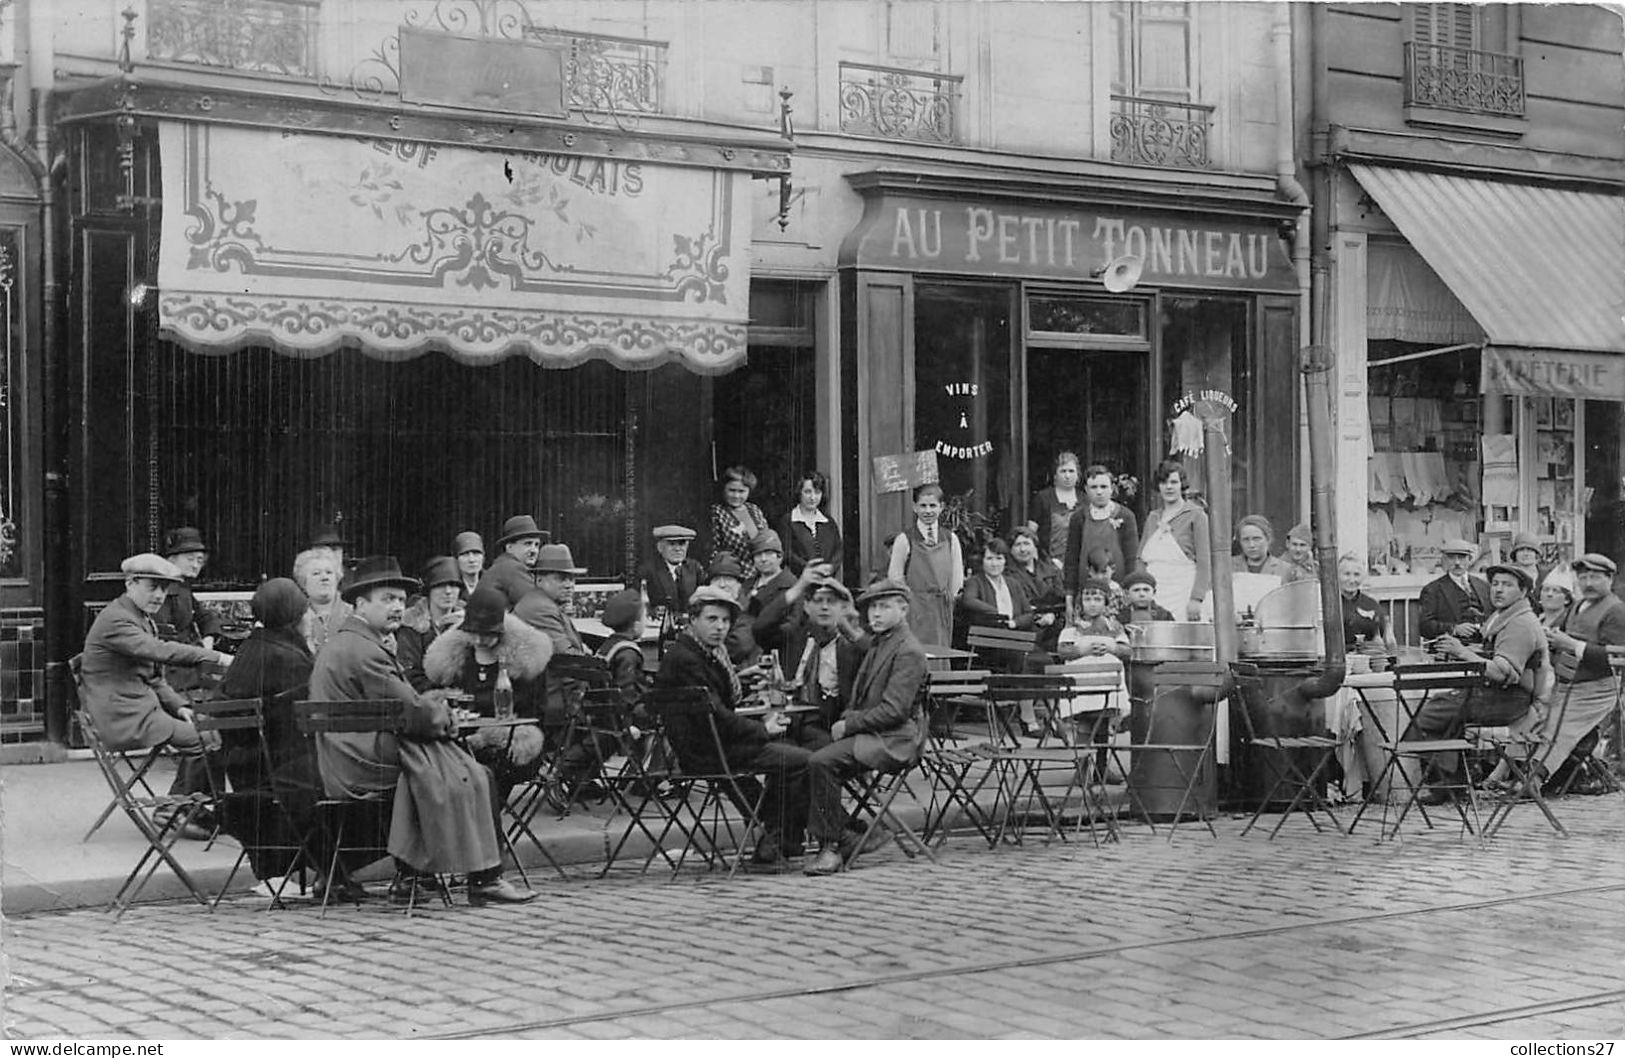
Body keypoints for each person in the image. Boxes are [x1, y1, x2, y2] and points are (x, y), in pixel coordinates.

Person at [308, 555, 533, 906]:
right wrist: (446, 716)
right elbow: (413, 713)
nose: (397, 607)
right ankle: (484, 876)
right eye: (387, 599)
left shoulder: (344, 643)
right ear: (361, 604)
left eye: (400, 600)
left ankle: (418, 876)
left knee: (457, 768)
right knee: (475, 773)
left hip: (346, 755)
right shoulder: (366, 650)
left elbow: (405, 708)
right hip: (365, 762)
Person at [654, 586, 812, 870]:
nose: (720, 627)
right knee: (799, 759)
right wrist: (764, 729)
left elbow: (716, 706)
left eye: (725, 621)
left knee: (787, 755)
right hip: (707, 751)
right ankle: (777, 838)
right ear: (693, 620)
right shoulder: (688, 658)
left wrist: (741, 679)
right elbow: (718, 717)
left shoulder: (702, 651)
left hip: (709, 744)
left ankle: (774, 835)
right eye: (712, 619)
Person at [80, 554, 235, 840]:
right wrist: (217, 657)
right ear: (130, 583)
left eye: (164, 589)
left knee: (209, 729)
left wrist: (179, 707)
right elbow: (162, 651)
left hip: (137, 709)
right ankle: (175, 810)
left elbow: (152, 676)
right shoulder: (118, 620)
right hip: (125, 717)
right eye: (153, 587)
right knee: (208, 739)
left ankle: (194, 808)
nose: (159, 595)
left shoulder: (138, 617)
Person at [803, 578, 928, 876]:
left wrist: (849, 724)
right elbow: (861, 640)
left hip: (896, 740)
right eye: (872, 607)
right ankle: (854, 830)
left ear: (903, 609)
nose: (875, 614)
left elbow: (895, 711)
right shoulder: (883, 641)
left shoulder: (907, 650)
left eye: (884, 607)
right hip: (874, 734)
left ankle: (833, 846)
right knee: (806, 754)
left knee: (821, 761)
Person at [211, 577, 317, 887]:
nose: (309, 618)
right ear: (294, 617)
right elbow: (302, 728)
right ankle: (333, 871)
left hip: (243, 773)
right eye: (306, 612)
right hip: (279, 776)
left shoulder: (250, 649)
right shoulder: (289, 659)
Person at [1410, 564, 1546, 800]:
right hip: (1498, 695)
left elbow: (1504, 672)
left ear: (1523, 592)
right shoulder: (1505, 616)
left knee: (1425, 716)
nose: (1498, 590)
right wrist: (1467, 651)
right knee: (1441, 708)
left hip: (1509, 701)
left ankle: (1447, 786)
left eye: (1507, 585)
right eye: (1495, 584)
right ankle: (1450, 785)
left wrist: (1463, 653)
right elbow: (1495, 657)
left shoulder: (1519, 624)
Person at [422, 586, 551, 800]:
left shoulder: (522, 663)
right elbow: (436, 691)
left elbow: (535, 709)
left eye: (487, 635)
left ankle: (487, 827)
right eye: (474, 634)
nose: (480, 641)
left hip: (512, 740)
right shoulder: (459, 656)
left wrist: (488, 733)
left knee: (484, 776)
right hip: (462, 739)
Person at [513, 543, 612, 801]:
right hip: (549, 699)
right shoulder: (540, 608)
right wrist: (600, 662)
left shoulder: (544, 604)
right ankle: (562, 771)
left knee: (615, 712)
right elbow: (568, 658)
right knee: (618, 721)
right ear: (539, 578)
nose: (569, 584)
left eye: (571, 578)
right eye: (561, 578)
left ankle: (579, 778)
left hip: (554, 692)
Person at [1528, 553, 1625, 791]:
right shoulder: (1577, 606)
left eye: (1595, 577)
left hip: (1598, 689)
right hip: (1567, 683)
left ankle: (1534, 780)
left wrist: (1572, 645)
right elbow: (1562, 636)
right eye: (1583, 577)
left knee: (1559, 729)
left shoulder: (1616, 610)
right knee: (1534, 719)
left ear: (1609, 579)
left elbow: (1619, 657)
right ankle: (1514, 775)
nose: (1588, 583)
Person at [754, 564, 868, 752]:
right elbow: (760, 628)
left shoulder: (852, 646)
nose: (824, 607)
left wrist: (850, 621)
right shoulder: (794, 637)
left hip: (832, 728)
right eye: (818, 601)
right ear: (806, 606)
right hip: (792, 724)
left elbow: (874, 653)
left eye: (831, 602)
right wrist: (798, 587)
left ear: (842, 607)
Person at [886, 482, 964, 648]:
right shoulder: (905, 539)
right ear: (914, 507)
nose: (928, 511)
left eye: (932, 506)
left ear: (941, 507)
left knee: (940, 654)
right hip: (914, 610)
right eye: (923, 506)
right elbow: (895, 578)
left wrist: (948, 599)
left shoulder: (950, 539)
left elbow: (956, 578)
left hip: (941, 609)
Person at [1064, 465, 1139, 621]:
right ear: (1085, 489)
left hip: (1117, 594)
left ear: (1112, 488)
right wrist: (1069, 598)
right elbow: (1071, 559)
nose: (1099, 492)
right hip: (1087, 595)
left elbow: (1132, 557)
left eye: (1103, 486)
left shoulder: (1126, 516)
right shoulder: (1079, 518)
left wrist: (1130, 593)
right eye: (1093, 487)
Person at [154, 526, 223, 696]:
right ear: (171, 559)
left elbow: (206, 617)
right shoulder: (164, 591)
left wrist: (208, 641)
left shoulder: (183, 587)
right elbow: (165, 639)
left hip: (189, 664)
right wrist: (202, 654)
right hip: (175, 675)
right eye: (190, 559)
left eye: (199, 561)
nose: (195, 565)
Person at [1139, 460, 1210, 621]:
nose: (1169, 487)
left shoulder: (1196, 515)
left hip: (1184, 590)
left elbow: (1204, 562)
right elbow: (1140, 558)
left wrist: (1196, 598)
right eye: (1164, 482)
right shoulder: (1153, 517)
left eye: (1174, 482)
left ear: (1182, 485)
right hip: (1154, 593)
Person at [397, 556, 465, 691]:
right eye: (440, 585)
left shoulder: (468, 620)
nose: (448, 591)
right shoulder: (411, 624)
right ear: (429, 589)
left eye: (453, 585)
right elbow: (411, 675)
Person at [1418, 538, 1492, 640]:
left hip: (1482, 645)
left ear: (1470, 559)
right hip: (1449, 647)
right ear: (1444, 560)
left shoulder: (1484, 586)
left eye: (1462, 557)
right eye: (1451, 558)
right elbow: (1424, 626)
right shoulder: (1432, 590)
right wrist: (1454, 628)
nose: (1457, 562)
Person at [1009, 525, 1066, 652]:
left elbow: (1061, 598)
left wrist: (1053, 616)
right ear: (1011, 549)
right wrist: (1037, 618)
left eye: (1026, 544)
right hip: (1026, 628)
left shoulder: (1051, 570)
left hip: (1055, 624)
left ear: (1034, 547)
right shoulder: (1008, 575)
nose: (1023, 549)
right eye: (1017, 545)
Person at [781, 470, 843, 580]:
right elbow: (787, 553)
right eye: (808, 492)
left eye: (817, 492)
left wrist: (831, 567)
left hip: (826, 581)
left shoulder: (828, 522)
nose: (813, 497)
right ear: (799, 492)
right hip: (798, 581)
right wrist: (808, 569)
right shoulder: (789, 520)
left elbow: (838, 550)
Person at [478, 514, 548, 610]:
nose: (534, 550)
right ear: (509, 547)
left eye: (536, 545)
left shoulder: (502, 565)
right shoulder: (512, 568)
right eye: (527, 544)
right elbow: (538, 607)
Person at [1029, 451, 1082, 567]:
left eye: (1071, 471)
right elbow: (1030, 534)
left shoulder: (1085, 500)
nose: (1067, 476)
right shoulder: (1042, 498)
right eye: (1063, 471)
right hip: (1048, 565)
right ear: (1055, 475)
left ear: (1078, 474)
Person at [294, 548, 350, 658]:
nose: (324, 577)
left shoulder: (355, 613)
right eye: (316, 574)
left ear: (337, 578)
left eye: (329, 572)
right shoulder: (296, 617)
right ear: (303, 582)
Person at [1338, 553, 1397, 657]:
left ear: (1363, 577)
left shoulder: (1371, 605)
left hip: (1368, 663)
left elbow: (1388, 641)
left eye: (1356, 575)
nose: (1352, 580)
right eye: (1346, 574)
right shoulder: (1328, 605)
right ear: (1337, 575)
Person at [710, 465, 769, 567]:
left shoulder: (754, 509)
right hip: (734, 573)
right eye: (732, 490)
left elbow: (767, 539)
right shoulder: (716, 513)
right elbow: (714, 551)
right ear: (724, 489)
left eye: (741, 491)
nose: (736, 496)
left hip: (761, 570)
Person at [1058, 580, 1131, 662]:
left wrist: (1112, 648)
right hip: (1079, 672)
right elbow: (1062, 652)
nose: (1092, 604)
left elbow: (1127, 652)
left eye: (1097, 599)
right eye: (1087, 599)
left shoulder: (1114, 627)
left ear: (1105, 603)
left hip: (1109, 671)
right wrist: (1081, 651)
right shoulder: (1073, 627)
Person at [641, 524, 705, 615]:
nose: (678, 549)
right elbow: (641, 605)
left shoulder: (694, 568)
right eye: (671, 544)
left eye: (682, 544)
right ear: (660, 547)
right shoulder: (648, 571)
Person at [745, 530, 797, 622]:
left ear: (780, 556)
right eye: (758, 554)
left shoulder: (791, 586)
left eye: (768, 553)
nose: (763, 559)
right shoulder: (747, 585)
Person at [1232, 515, 1293, 580]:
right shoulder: (1228, 566)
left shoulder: (1285, 569)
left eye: (1256, 539)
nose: (1251, 545)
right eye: (1246, 539)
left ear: (1268, 539)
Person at [1508, 532, 1547, 598]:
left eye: (1529, 550)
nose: (1525, 554)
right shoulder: (1509, 574)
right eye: (1521, 550)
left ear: (1536, 554)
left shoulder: (1546, 575)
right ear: (1515, 554)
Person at [453, 531, 485, 598]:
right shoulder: (452, 587)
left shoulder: (493, 583)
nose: (471, 560)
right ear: (456, 559)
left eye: (476, 553)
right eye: (465, 554)